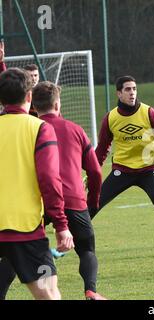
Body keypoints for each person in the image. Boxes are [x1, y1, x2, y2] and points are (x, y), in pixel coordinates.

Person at [0, 68, 74, 300]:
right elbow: (50, 180)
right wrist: (61, 225)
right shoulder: (40, 128)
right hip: (25, 228)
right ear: (29, 96)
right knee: (48, 293)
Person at [32, 81, 106, 300]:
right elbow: (95, 172)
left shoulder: (30, 129)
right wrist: (92, 201)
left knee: (24, 251)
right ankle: (90, 289)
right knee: (87, 251)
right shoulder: (75, 129)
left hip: (39, 200)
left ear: (34, 107)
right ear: (57, 103)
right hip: (73, 198)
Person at [94, 75, 154, 246]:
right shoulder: (110, 118)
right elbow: (101, 150)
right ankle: (69, 240)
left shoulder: (147, 112)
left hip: (149, 169)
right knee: (95, 203)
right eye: (127, 89)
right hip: (123, 170)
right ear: (119, 94)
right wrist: (92, 173)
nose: (132, 93)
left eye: (134, 89)